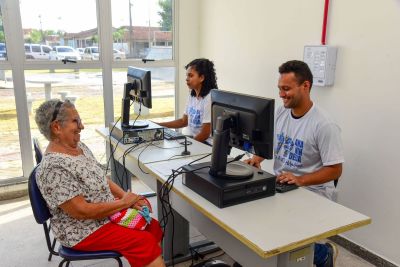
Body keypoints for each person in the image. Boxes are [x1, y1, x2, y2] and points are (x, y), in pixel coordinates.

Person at [34, 99, 166, 267]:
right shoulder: (53, 167)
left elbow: (101, 177)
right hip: (83, 230)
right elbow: (81, 211)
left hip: (103, 215)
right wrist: (124, 203)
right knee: (143, 242)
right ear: (56, 127)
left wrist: (126, 197)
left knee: (152, 227)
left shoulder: (79, 146)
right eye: (75, 121)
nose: (81, 126)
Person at [245, 60, 344, 267]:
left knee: (280, 236)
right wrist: (258, 157)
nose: (281, 94)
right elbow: (275, 143)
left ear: (305, 86)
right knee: (251, 220)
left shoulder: (324, 125)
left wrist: (300, 179)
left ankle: (323, 253)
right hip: (283, 185)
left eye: (286, 89)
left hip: (313, 192)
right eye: (280, 88)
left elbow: (335, 170)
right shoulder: (281, 112)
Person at [157, 58, 218, 143]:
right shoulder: (192, 94)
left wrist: (187, 145)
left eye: (190, 75)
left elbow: (205, 134)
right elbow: (183, 121)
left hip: (206, 144)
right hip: (193, 140)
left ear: (201, 78)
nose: (187, 79)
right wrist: (159, 125)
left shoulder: (209, 98)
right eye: (187, 75)